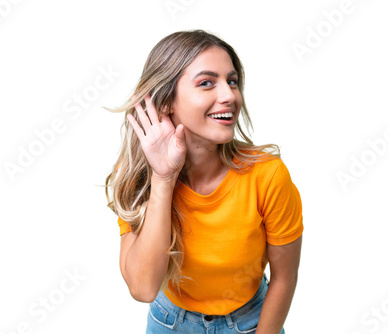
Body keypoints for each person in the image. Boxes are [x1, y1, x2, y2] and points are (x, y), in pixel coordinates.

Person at [105, 30, 303, 333]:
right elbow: (143, 288)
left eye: (232, 81)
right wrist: (163, 177)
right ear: (166, 101)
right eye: (206, 83)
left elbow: (284, 278)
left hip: (251, 322)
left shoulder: (268, 176)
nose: (229, 96)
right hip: (168, 322)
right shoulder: (140, 176)